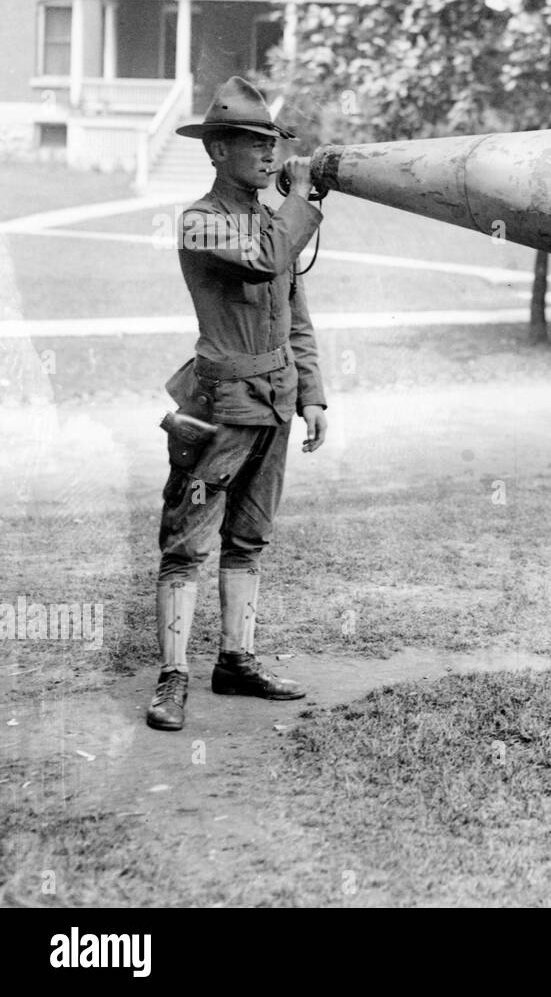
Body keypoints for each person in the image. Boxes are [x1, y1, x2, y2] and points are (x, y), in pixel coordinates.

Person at [147, 77, 326, 732]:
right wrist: (301, 198)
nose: (269, 154)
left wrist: (313, 394)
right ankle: (172, 678)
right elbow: (268, 260)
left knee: (248, 541)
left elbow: (295, 317)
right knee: (186, 546)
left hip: (275, 402)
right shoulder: (201, 222)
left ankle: (236, 661)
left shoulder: (272, 221)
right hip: (218, 408)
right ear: (216, 151)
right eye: (252, 143)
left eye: (273, 142)